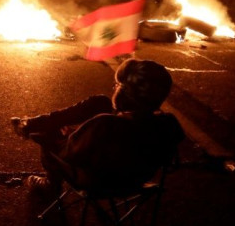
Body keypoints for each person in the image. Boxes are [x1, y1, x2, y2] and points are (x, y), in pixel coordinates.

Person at [12, 59, 185, 193]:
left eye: (118, 86)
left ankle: (50, 183)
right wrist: (82, 135)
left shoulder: (105, 125)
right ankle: (33, 122)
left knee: (47, 134)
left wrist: (67, 136)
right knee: (101, 102)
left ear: (124, 94)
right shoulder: (167, 124)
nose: (115, 89)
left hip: (98, 181)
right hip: (136, 179)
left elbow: (70, 154)